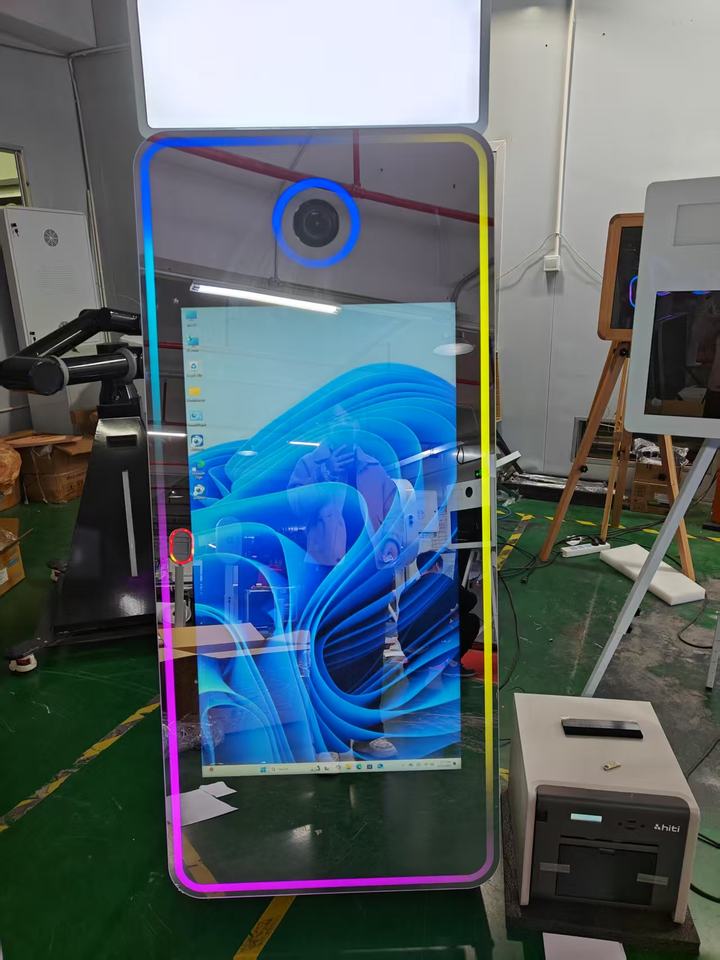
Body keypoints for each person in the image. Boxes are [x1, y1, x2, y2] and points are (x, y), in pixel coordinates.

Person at [288, 421, 400, 760]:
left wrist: (391, 551)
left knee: (369, 653)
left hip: (368, 574)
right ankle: (328, 739)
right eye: (339, 426)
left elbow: (394, 516)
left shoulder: (374, 469)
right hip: (326, 572)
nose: (346, 433)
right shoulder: (309, 464)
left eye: (352, 426)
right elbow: (295, 507)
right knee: (326, 652)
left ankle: (367, 733)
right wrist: (325, 477)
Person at [398, 551, 479, 680]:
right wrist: (455, 614)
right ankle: (452, 665)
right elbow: (470, 601)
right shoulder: (443, 582)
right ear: (437, 565)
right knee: (471, 621)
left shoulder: (407, 590)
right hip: (432, 652)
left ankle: (415, 665)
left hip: (408, 650)